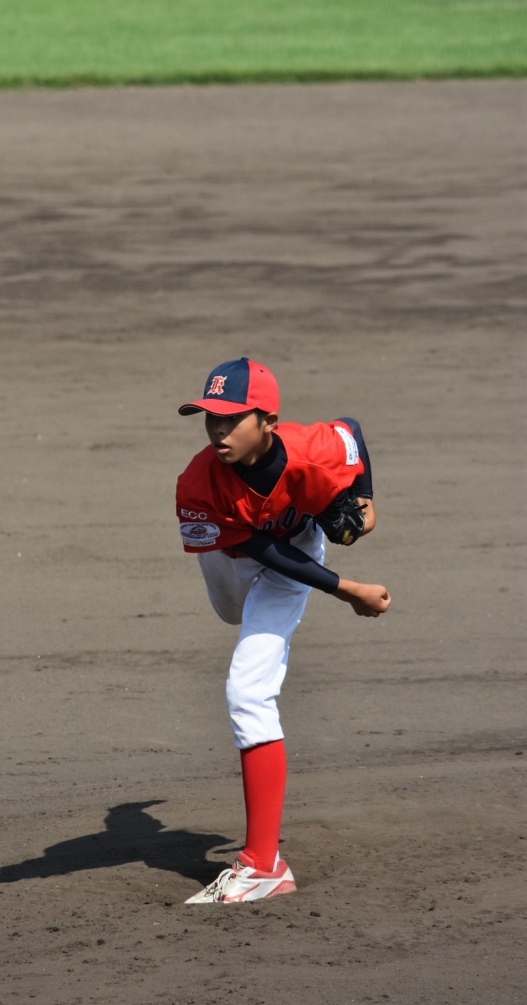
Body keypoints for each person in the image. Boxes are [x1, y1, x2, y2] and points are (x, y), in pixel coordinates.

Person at [175, 357, 391, 904]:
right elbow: (258, 548)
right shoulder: (197, 483)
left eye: (232, 418)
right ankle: (263, 864)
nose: (218, 430)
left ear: (267, 420)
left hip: (295, 558)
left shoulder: (310, 448)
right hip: (230, 557)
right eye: (211, 418)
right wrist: (348, 588)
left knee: (247, 691)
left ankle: (263, 864)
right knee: (231, 612)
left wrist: (366, 499)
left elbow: (351, 430)